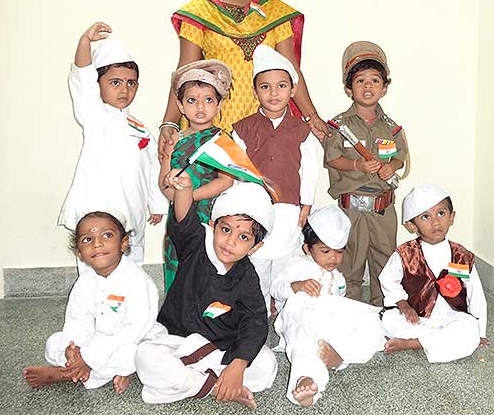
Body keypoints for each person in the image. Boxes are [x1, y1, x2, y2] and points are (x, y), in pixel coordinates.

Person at [159, 0, 327, 155]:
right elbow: (185, 72)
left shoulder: (275, 14)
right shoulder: (199, 13)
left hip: (268, 126)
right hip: (213, 127)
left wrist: (312, 116)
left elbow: (291, 71)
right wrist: (169, 123)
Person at [135, 173, 277, 409]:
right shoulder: (196, 244)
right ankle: (214, 386)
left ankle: (195, 382)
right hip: (176, 341)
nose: (230, 242)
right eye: (226, 229)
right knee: (145, 354)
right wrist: (184, 189)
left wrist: (238, 364)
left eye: (243, 237)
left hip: (219, 350)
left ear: (255, 247)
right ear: (213, 226)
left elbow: (255, 321)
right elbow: (184, 220)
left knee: (266, 363)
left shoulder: (248, 277)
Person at [58, 22, 168, 266]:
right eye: (115, 82)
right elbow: (82, 78)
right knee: (96, 267)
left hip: (133, 210)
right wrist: (85, 41)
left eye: (131, 83)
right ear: (98, 84)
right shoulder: (94, 115)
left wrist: (157, 203)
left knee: (132, 264)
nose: (124, 90)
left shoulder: (141, 128)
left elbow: (153, 166)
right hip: (98, 211)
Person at [23, 211, 159, 392]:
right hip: (95, 338)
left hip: (132, 339)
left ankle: (64, 374)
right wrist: (74, 351)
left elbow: (135, 328)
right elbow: (77, 320)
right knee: (53, 343)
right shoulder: (85, 281)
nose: (97, 244)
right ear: (79, 252)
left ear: (123, 243)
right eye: (87, 239)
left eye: (107, 235)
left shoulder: (136, 280)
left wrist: (89, 358)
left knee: (136, 355)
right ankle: (83, 369)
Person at [232, 44, 319, 314]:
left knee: (285, 261)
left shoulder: (302, 130)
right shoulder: (243, 128)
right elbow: (238, 171)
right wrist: (240, 209)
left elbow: (310, 169)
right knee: (256, 261)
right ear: (255, 91)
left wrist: (306, 204)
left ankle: (285, 314)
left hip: (289, 208)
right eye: (265, 87)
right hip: (255, 209)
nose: (273, 93)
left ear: (292, 90)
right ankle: (255, 314)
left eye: (281, 86)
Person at [271, 206, 385, 406]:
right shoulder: (298, 265)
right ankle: (306, 378)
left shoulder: (338, 277)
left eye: (339, 252)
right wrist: (297, 286)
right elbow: (276, 287)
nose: (333, 257)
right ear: (308, 249)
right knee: (303, 337)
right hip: (301, 316)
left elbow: (339, 304)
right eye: (325, 251)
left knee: (372, 322)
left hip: (328, 321)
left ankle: (339, 356)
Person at [323, 41, 408, 306]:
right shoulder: (339, 126)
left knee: (386, 263)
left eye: (374, 80)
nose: (367, 86)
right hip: (352, 209)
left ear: (384, 88)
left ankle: (385, 310)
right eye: (360, 80)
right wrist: (357, 166)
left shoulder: (392, 128)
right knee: (350, 262)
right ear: (349, 88)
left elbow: (400, 156)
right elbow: (332, 158)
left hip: (383, 210)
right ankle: (351, 310)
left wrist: (392, 166)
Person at [379, 185, 489, 362]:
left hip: (452, 315)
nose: (435, 222)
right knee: (389, 320)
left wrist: (480, 331)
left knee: (469, 328)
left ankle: (414, 343)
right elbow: (388, 279)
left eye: (441, 213)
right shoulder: (405, 253)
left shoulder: (461, 256)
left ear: (452, 217)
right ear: (411, 225)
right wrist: (403, 305)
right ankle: (437, 339)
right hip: (417, 317)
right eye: (425, 217)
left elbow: (475, 293)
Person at [160, 59, 234, 291]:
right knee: (179, 266)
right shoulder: (175, 140)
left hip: (209, 217)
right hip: (178, 219)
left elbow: (226, 180)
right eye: (192, 100)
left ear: (219, 105)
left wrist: (189, 195)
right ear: (180, 106)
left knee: (207, 269)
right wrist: (176, 193)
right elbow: (164, 185)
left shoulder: (221, 140)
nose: (200, 107)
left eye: (208, 100)